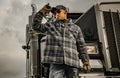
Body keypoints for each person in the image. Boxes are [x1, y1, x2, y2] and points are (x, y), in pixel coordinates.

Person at [32, 3, 91, 78]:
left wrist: (86, 61)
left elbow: (81, 46)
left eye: (59, 11)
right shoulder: (50, 25)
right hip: (56, 63)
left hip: (72, 63)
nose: (56, 14)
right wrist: (42, 12)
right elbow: (35, 26)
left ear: (65, 12)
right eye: (55, 13)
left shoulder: (76, 28)